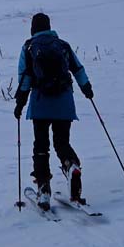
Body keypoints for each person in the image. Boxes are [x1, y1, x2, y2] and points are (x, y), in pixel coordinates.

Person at [14, 13, 93, 210]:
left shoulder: (29, 47)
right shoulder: (63, 45)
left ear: (33, 28)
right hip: (64, 102)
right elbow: (77, 68)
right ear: (49, 27)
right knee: (62, 142)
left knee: (41, 146)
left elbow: (24, 78)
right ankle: (71, 166)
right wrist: (87, 89)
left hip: (41, 104)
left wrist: (20, 103)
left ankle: (44, 189)